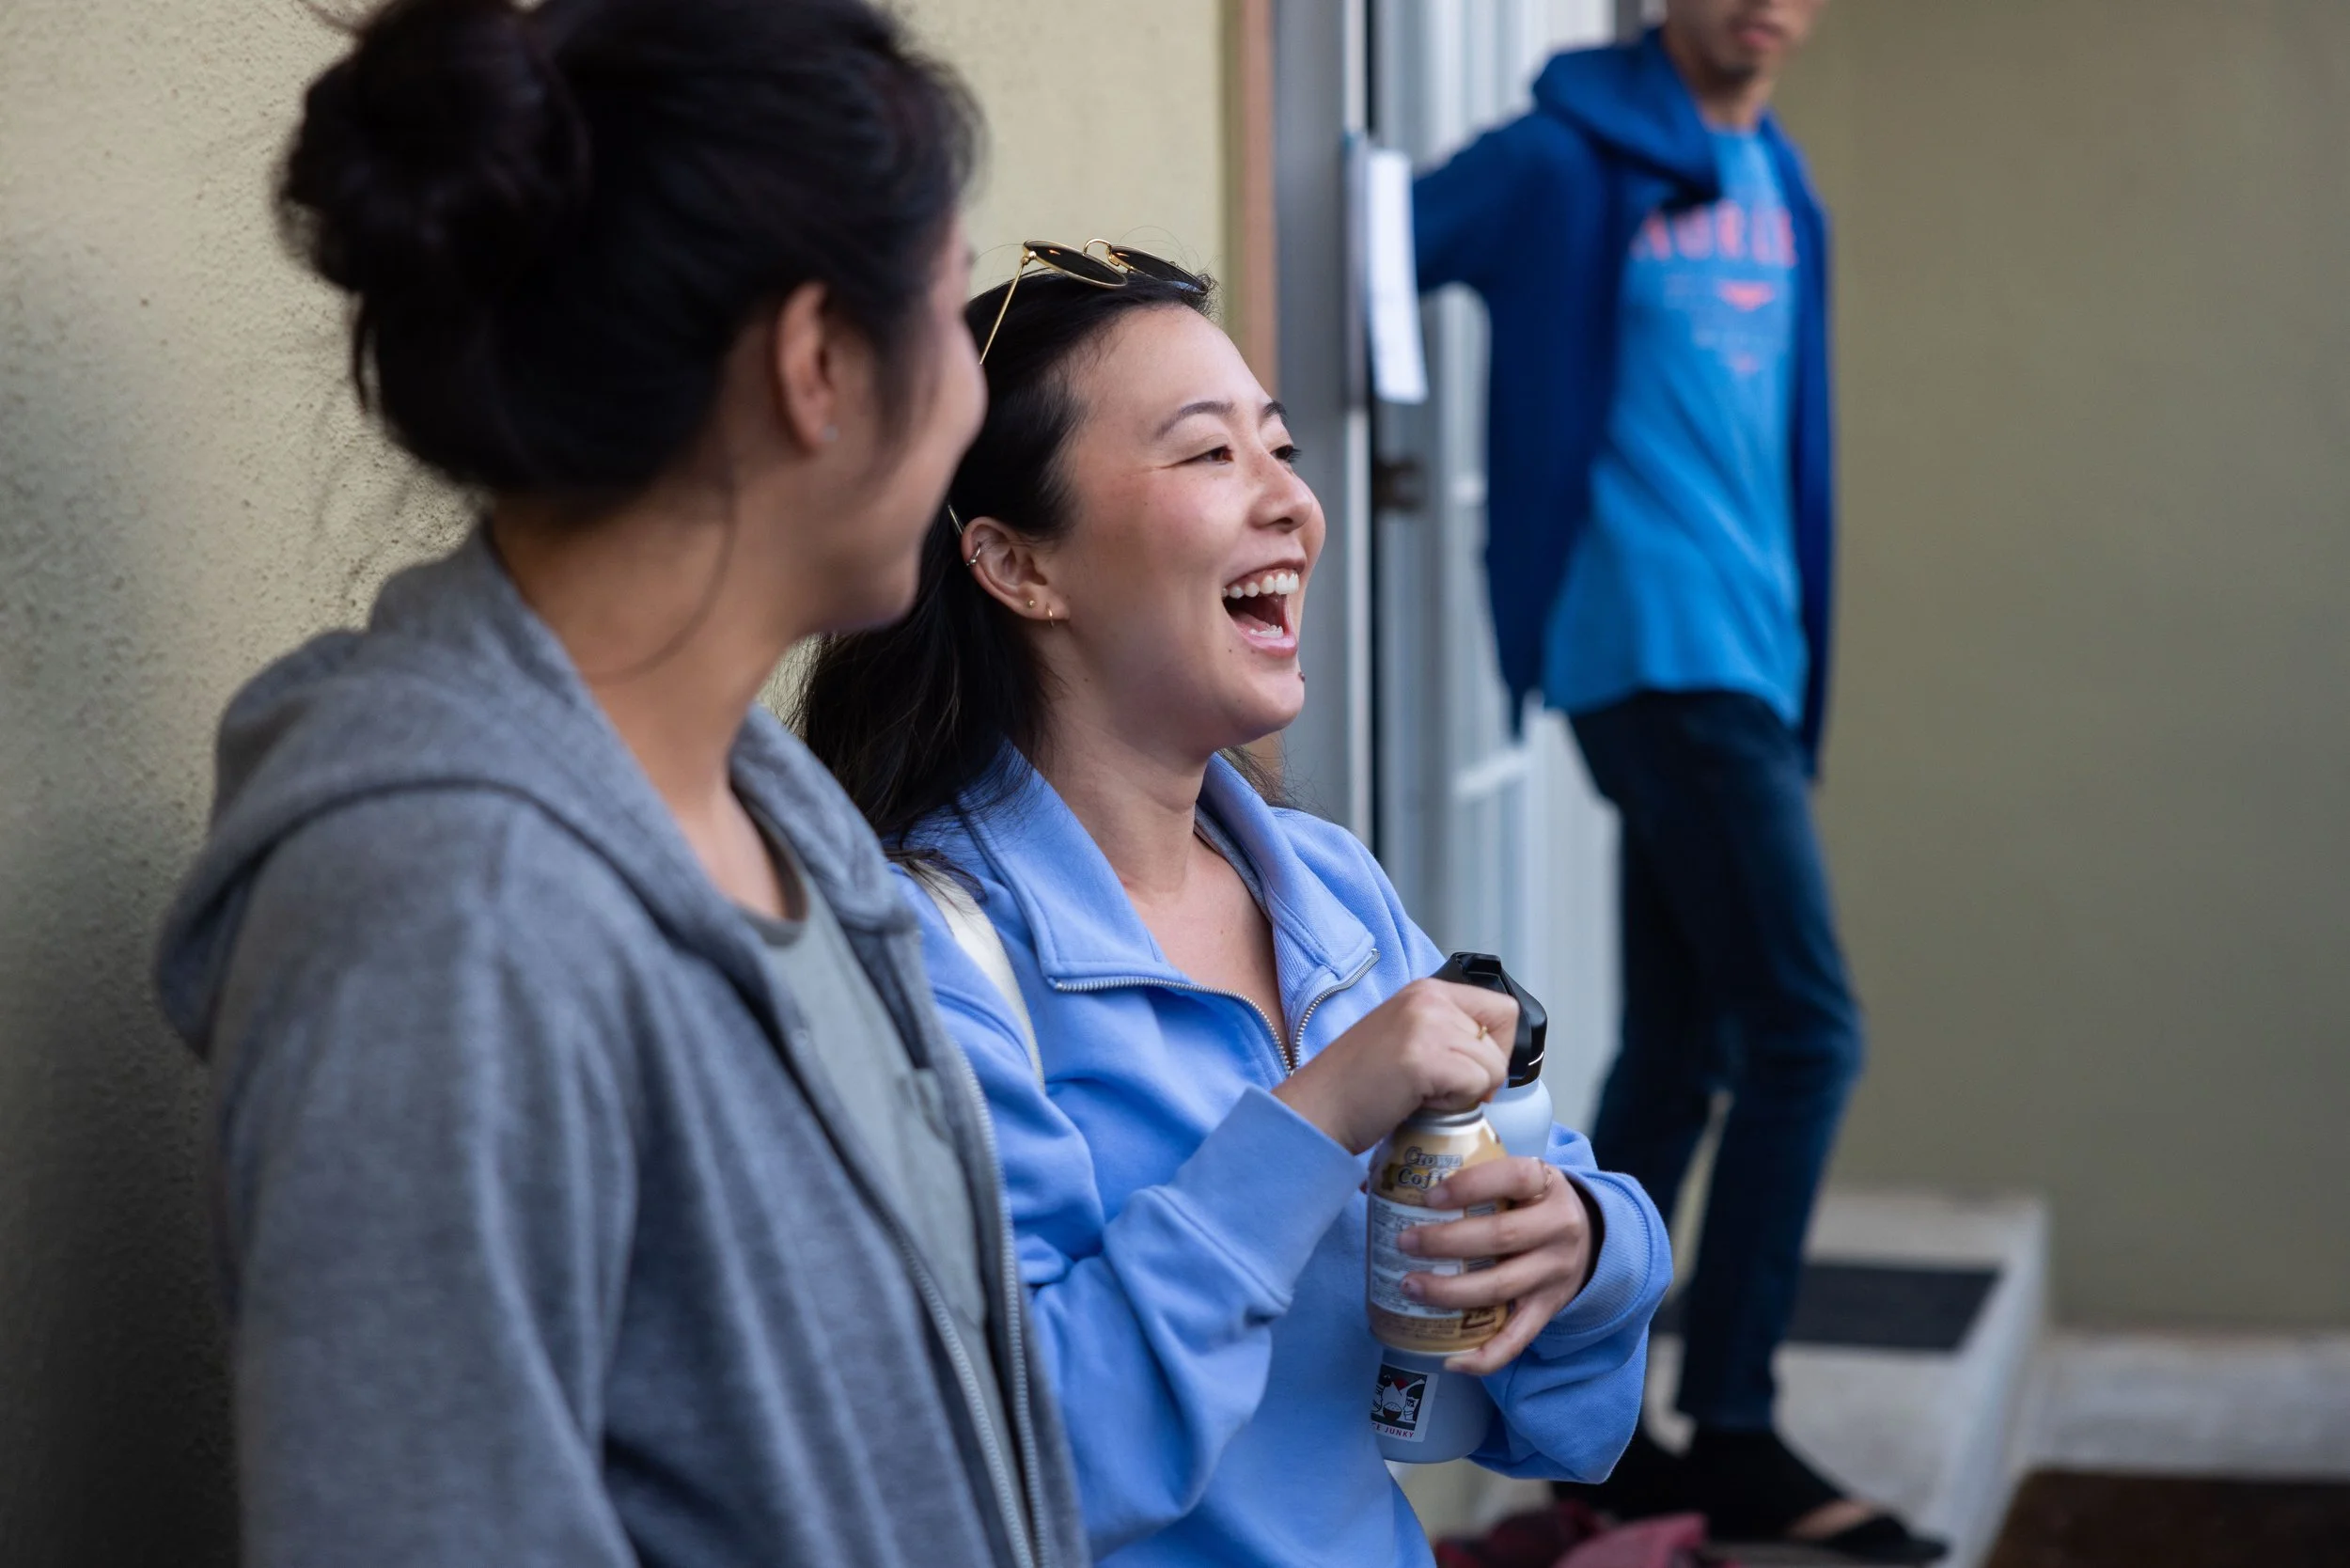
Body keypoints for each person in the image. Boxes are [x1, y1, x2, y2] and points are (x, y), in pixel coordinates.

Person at [150, 2, 1088, 1564]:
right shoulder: (448, 918)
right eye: (945, 320)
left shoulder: (768, 811)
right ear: (817, 364)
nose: (971, 402)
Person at [796, 251, 1672, 1568]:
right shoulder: (919, 953)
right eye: (1210, 458)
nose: (1297, 507)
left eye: (1282, 447)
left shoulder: (1322, 887)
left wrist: (1590, 1245)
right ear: (1016, 564)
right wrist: (1315, 1121)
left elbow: (1544, 1411)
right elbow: (1027, 1468)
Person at [1413, 2, 1943, 1562]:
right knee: (1808, 1027)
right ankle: (1739, 1421)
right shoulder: (1564, 158)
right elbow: (1385, 244)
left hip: (1756, 653)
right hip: (1651, 645)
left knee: (1686, 1040)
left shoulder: (1782, 181)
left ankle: (1596, 1422)